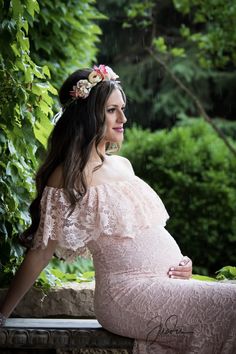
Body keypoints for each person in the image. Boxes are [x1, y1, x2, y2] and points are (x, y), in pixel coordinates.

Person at [0, 65, 235, 354]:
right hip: (126, 296)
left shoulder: (123, 166)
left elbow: (145, 233)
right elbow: (41, 251)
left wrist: (179, 264)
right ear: (88, 115)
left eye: (122, 109)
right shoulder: (68, 175)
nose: (123, 118)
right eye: (112, 110)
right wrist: (2, 314)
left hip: (165, 288)